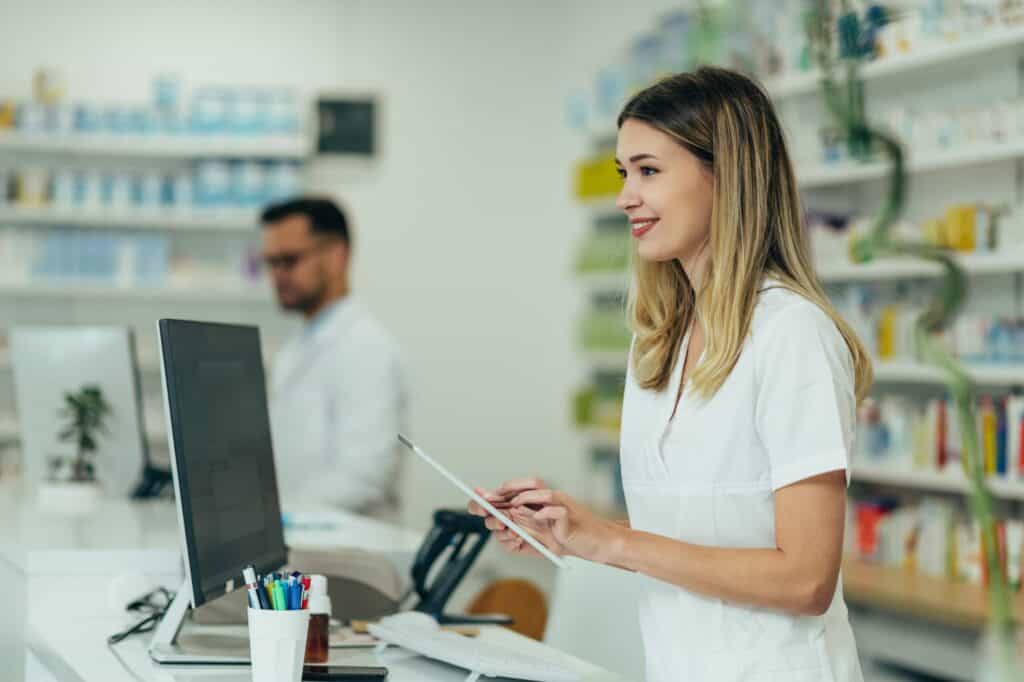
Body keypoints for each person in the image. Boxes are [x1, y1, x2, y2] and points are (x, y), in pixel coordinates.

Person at [470, 67, 872, 681]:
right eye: (623, 173)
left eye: (649, 171)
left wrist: (612, 541)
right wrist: (573, 532)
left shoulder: (791, 334)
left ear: (727, 179)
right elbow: (692, 535)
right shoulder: (659, 342)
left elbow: (806, 579)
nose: (625, 196)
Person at [261, 197, 407, 520]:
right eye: (271, 263)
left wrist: (280, 512)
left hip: (352, 545)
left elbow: (364, 476)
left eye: (289, 260)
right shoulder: (296, 347)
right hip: (303, 532)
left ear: (336, 255)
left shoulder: (366, 348)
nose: (278, 275)